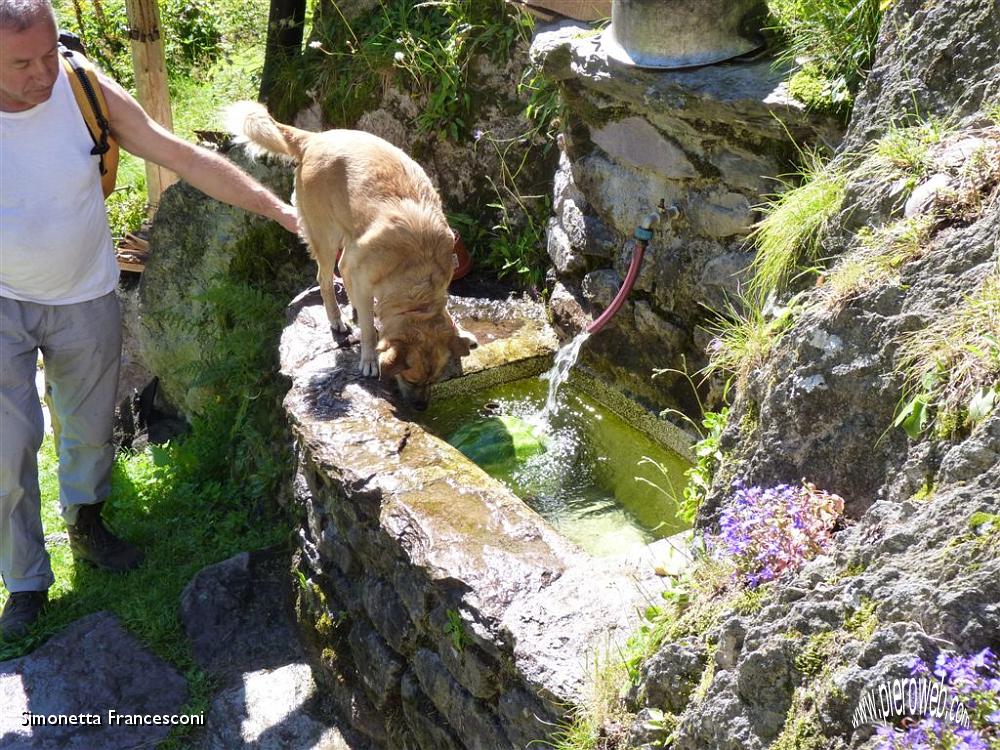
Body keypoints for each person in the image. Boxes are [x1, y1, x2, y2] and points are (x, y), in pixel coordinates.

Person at [0, 0, 300, 640]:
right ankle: (25, 581)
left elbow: (181, 157)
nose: (43, 72)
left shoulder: (82, 87)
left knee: (85, 430)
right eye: (22, 63)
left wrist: (283, 212)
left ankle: (87, 523)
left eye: (50, 52)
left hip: (85, 292)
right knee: (7, 446)